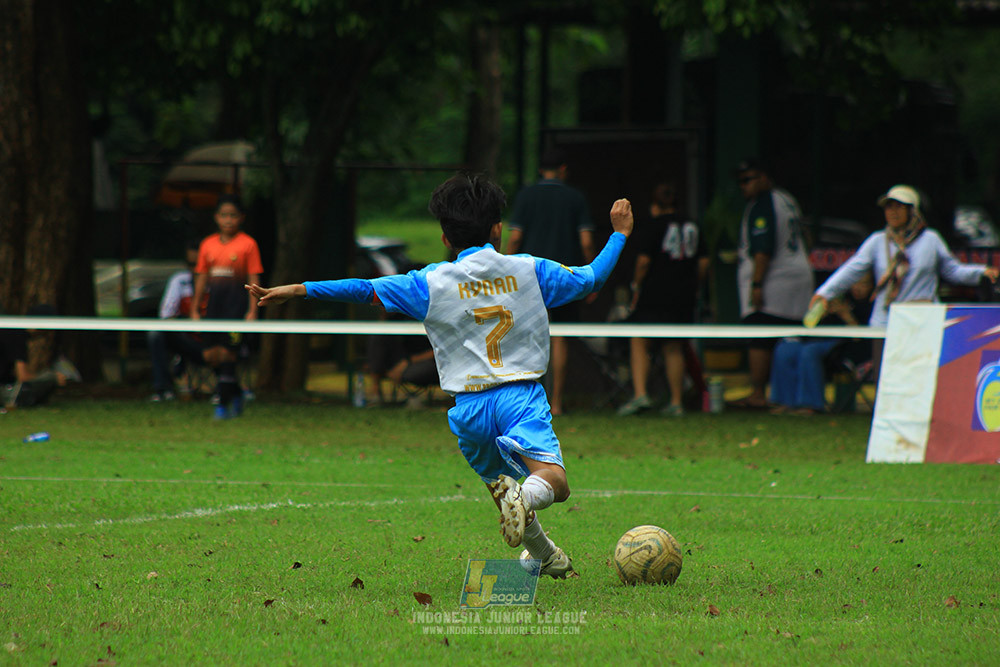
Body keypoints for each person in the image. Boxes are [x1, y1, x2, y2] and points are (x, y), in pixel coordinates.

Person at [247, 173, 634, 579]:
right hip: (519, 395)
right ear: (498, 229)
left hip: (467, 409)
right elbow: (593, 277)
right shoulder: (529, 270)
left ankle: (545, 554)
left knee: (503, 493)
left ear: (446, 238)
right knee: (552, 481)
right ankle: (528, 501)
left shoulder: (430, 282)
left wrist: (300, 289)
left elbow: (363, 288)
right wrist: (619, 234)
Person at [810, 184, 999, 379]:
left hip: (922, 321)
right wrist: (825, 293)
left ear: (912, 210)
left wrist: (982, 272)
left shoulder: (930, 240)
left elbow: (953, 271)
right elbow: (852, 269)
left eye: (899, 207)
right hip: (886, 321)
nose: (892, 212)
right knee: (885, 379)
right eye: (888, 207)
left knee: (920, 377)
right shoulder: (877, 241)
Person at [506, 147, 596, 415]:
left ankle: (527, 402)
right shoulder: (575, 198)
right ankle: (555, 403)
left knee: (527, 337)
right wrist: (591, 276)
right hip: (564, 279)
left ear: (539, 170)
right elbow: (587, 241)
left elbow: (514, 238)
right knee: (560, 339)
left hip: (528, 278)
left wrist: (505, 269)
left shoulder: (526, 196)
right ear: (564, 170)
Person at [617, 182, 709, 417]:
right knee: (674, 346)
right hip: (683, 295)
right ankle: (677, 402)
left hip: (654, 293)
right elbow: (703, 263)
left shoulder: (653, 225)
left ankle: (641, 395)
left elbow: (644, 262)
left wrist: (636, 285)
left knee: (638, 339)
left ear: (654, 205)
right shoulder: (693, 225)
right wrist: (694, 286)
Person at [734, 158, 814, 408]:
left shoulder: (763, 204)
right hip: (797, 277)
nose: (743, 186)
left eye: (749, 180)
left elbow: (762, 249)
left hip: (774, 282)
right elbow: (807, 237)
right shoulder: (787, 199)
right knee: (788, 338)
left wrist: (756, 285)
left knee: (760, 335)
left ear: (765, 178)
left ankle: (758, 393)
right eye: (741, 182)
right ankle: (785, 395)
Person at [191, 195, 263, 419]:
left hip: (236, 308)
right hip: (214, 309)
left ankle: (222, 405)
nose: (228, 220)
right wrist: (195, 309)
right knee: (211, 355)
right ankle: (237, 393)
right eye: (224, 215)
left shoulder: (248, 244)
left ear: (240, 218)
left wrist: (253, 310)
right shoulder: (208, 245)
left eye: (233, 215)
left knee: (228, 354)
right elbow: (202, 277)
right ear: (216, 218)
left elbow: (254, 278)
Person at [769, 275, 873, 415]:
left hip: (848, 348)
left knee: (809, 352)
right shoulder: (838, 297)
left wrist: (846, 315)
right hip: (818, 339)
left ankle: (810, 404)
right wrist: (821, 314)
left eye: (864, 284)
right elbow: (809, 324)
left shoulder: (872, 305)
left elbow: (861, 339)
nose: (858, 288)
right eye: (855, 284)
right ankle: (785, 402)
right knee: (785, 349)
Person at [147, 244, 206, 402]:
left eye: (199, 264)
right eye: (190, 264)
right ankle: (163, 389)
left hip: (213, 341)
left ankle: (227, 389)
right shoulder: (180, 281)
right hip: (186, 339)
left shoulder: (219, 283)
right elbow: (166, 315)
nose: (195, 269)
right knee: (156, 334)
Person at [0, 304, 81, 408]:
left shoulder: (10, 330)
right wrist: (51, 378)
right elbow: (22, 377)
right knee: (50, 377)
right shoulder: (17, 336)